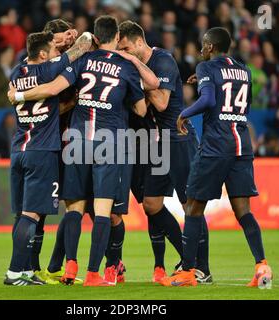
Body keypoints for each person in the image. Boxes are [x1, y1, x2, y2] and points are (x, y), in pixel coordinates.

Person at [8, 16, 147, 286]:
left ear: (96, 37)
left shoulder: (77, 63)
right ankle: (96, 272)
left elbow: (53, 87)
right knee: (104, 211)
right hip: (108, 142)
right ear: (117, 37)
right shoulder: (124, 66)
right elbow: (142, 108)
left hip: (75, 142)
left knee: (73, 208)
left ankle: (66, 266)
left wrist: (20, 96)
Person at [162, 27, 272, 288]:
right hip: (241, 146)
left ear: (210, 47)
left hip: (215, 146)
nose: (201, 49)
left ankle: (188, 271)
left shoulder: (207, 68)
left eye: (203, 45)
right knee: (243, 211)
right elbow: (233, 98)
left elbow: (209, 100)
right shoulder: (244, 70)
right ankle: (262, 266)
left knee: (193, 207)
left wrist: (184, 114)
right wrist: (203, 80)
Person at [117, 20, 211, 284]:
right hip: (156, 143)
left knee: (190, 206)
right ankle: (186, 257)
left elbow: (161, 101)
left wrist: (133, 74)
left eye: (126, 48)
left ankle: (202, 268)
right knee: (151, 204)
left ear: (138, 42)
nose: (124, 53)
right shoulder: (139, 65)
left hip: (178, 140)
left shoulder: (163, 60)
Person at [4, 31, 92, 286]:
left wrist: (53, 37)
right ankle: (14, 272)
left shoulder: (16, 73)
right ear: (43, 55)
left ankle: (25, 270)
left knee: (22, 215)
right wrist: (78, 36)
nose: (57, 52)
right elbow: (83, 45)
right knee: (31, 216)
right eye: (53, 48)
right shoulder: (49, 70)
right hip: (41, 153)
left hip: (18, 150)